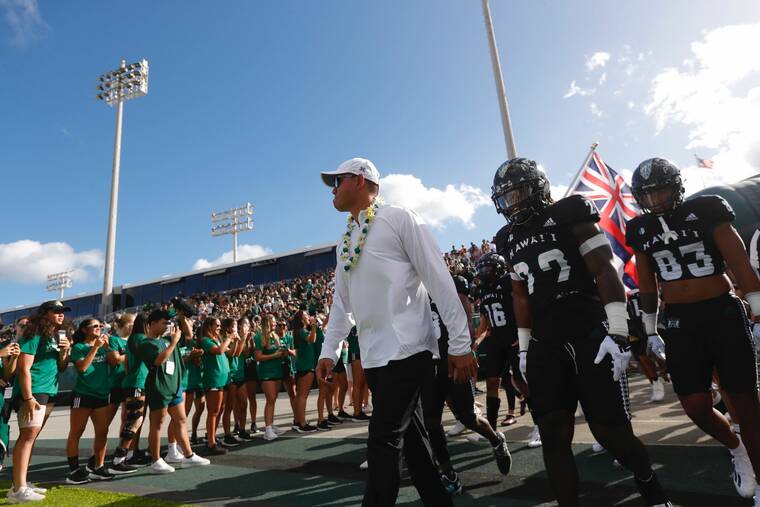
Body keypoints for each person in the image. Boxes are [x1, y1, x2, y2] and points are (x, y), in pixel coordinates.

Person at [491, 158, 670, 506]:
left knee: (611, 432)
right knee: (554, 436)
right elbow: (519, 296)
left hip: (589, 334)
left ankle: (650, 485)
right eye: (507, 197)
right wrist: (525, 349)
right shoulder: (507, 237)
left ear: (538, 187)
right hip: (546, 342)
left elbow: (605, 270)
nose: (513, 203)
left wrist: (617, 332)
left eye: (518, 193)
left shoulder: (569, 212)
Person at [315, 157, 477, 506]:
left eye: (337, 181)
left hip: (408, 349)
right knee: (417, 451)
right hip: (374, 356)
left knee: (382, 439)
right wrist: (329, 351)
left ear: (360, 180)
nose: (332, 189)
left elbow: (438, 278)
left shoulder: (399, 218)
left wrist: (460, 342)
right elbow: (342, 305)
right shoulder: (344, 242)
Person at [627, 158, 760, 502]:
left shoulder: (706, 209)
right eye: (649, 195)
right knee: (695, 406)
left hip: (720, 311)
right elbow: (646, 285)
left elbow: (739, 261)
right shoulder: (641, 228)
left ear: (677, 185)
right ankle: (737, 448)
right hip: (679, 322)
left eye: (662, 191)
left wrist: (758, 311)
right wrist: (650, 330)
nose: (656, 200)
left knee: (746, 404)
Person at [423, 296, 512, 496]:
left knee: (467, 416)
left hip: (454, 358)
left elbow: (463, 318)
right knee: (431, 421)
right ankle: (448, 472)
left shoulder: (442, 285)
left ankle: (496, 440)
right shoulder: (407, 293)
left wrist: (466, 352)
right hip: (428, 364)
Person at [9, 300, 72, 503]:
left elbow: (62, 367)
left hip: (49, 390)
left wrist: (65, 352)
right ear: (45, 313)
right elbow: (23, 368)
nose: (61, 315)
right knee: (27, 436)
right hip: (34, 390)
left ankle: (21, 483)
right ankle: (18, 489)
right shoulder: (32, 332)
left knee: (32, 437)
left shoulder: (56, 335)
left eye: (63, 311)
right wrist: (28, 397)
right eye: (56, 311)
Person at [138, 309, 209, 473]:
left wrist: (183, 317)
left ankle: (189, 456)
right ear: (152, 324)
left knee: (181, 419)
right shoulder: (145, 343)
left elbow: (188, 336)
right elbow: (158, 360)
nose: (166, 326)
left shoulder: (166, 340)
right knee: (157, 423)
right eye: (163, 323)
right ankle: (156, 460)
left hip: (174, 385)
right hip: (159, 387)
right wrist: (173, 343)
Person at [65, 318, 118, 484]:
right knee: (76, 432)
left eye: (100, 326)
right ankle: (74, 471)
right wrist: (95, 348)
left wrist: (107, 346)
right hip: (83, 394)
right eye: (94, 326)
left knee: (102, 432)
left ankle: (98, 467)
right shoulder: (79, 347)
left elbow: (115, 361)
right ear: (84, 330)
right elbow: (83, 368)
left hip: (101, 395)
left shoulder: (103, 346)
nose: (99, 328)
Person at [110, 313, 151, 471]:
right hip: (136, 383)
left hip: (133, 382)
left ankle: (124, 455)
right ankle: (118, 459)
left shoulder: (133, 339)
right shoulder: (140, 339)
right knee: (133, 421)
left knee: (132, 420)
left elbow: (126, 363)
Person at [199, 316, 232, 454]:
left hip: (222, 380)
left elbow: (231, 351)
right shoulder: (205, 340)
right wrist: (229, 338)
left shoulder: (217, 339)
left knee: (219, 409)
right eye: (217, 326)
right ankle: (211, 443)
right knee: (213, 411)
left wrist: (241, 339)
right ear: (209, 327)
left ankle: (212, 437)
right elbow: (219, 351)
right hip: (214, 379)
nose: (219, 328)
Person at [255, 314, 288, 441]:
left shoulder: (275, 336)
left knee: (273, 399)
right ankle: (267, 430)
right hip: (266, 372)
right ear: (266, 323)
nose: (275, 323)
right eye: (273, 322)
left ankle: (271, 425)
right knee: (270, 399)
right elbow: (258, 357)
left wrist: (282, 353)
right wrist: (274, 355)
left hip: (277, 371)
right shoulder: (259, 337)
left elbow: (277, 353)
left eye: (275, 321)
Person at [293, 310, 318, 432]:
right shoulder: (302, 331)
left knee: (299, 396)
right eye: (306, 315)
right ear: (302, 319)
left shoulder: (300, 331)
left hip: (302, 365)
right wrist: (313, 327)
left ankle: (298, 421)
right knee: (303, 396)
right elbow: (312, 339)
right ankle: (302, 424)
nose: (308, 316)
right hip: (306, 366)